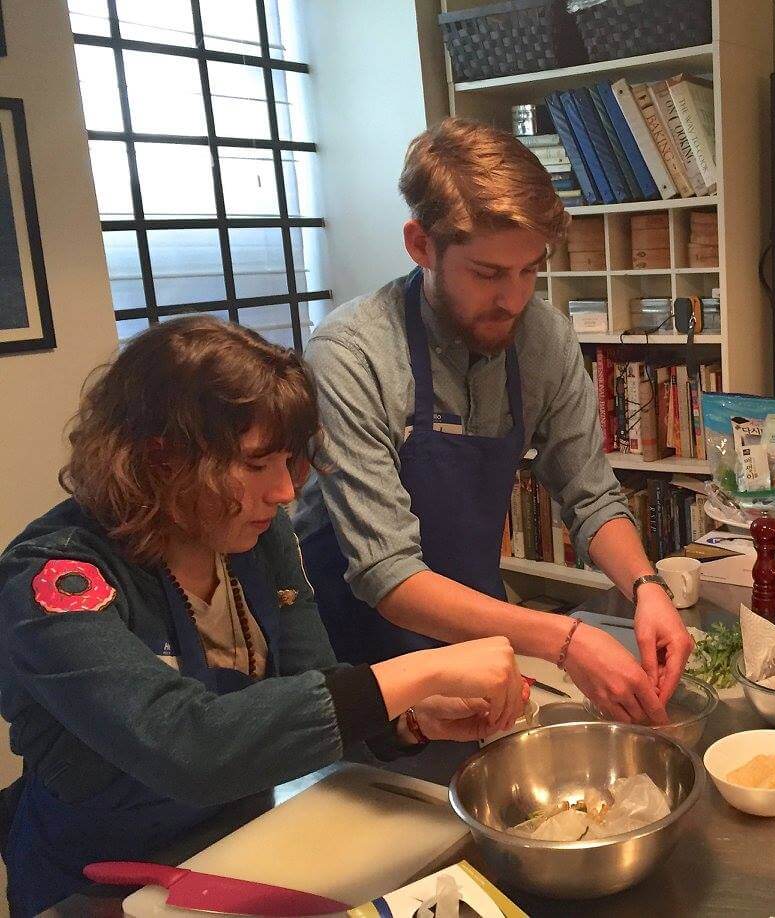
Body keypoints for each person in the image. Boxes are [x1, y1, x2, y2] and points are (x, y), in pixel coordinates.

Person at [0, 318, 524, 916]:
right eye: (255, 465)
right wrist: (422, 671)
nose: (283, 492)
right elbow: (190, 745)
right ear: (160, 459)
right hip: (95, 884)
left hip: (238, 849)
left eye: (288, 462)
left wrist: (408, 718)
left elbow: (313, 677)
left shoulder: (254, 535)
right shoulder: (52, 583)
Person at [294, 118, 693, 730]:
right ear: (420, 245)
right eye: (487, 274)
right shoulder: (351, 354)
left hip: (477, 636)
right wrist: (563, 640)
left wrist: (646, 587)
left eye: (530, 270)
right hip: (359, 664)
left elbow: (590, 496)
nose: (514, 299)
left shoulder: (544, 339)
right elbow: (387, 573)